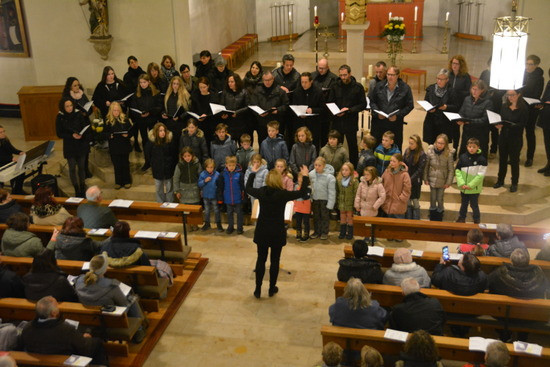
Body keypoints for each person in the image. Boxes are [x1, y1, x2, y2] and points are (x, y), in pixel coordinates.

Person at [245, 164, 310, 298]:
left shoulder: (262, 192)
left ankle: (257, 289)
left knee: (260, 259)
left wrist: (253, 173)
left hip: (262, 230)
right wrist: (305, 176)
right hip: (276, 231)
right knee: (275, 260)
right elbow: (302, 193)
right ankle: (271, 288)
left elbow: (248, 188)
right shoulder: (282, 194)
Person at [74, 253, 147, 343]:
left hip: (90, 319)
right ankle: (139, 331)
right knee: (132, 299)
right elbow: (123, 304)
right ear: (105, 270)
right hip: (111, 320)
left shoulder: (79, 281)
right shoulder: (111, 286)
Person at [21, 296, 109, 365]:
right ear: (53, 313)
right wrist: (86, 339)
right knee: (96, 343)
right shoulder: (66, 330)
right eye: (57, 306)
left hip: (37, 362)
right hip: (64, 362)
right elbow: (84, 349)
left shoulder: (27, 328)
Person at [328, 64, 367, 166]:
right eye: (341, 75)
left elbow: (363, 104)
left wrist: (349, 110)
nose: (343, 78)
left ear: (350, 74)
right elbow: (330, 101)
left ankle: (353, 167)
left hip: (351, 121)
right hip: (337, 121)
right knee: (336, 146)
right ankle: (336, 166)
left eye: (345, 75)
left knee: (352, 147)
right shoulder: (335, 86)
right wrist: (336, 111)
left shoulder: (358, 87)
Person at [370, 66, 414, 152]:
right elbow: (372, 101)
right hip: (379, 123)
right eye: (388, 74)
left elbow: (410, 105)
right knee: (377, 147)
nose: (390, 77)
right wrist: (377, 113)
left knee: (395, 148)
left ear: (398, 75)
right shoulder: (379, 86)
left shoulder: (405, 88)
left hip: (395, 124)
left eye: (392, 75)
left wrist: (398, 115)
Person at [493, 89, 528, 192]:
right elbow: (501, 119)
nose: (510, 97)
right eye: (508, 95)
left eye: (512, 95)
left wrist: (511, 125)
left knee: (514, 161)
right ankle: (500, 180)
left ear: (519, 95)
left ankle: (514, 183)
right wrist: (498, 125)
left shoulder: (523, 108)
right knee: (502, 160)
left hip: (515, 138)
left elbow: (523, 124)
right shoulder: (504, 106)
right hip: (503, 137)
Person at [56, 97, 90, 197]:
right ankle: (76, 188)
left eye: (71, 105)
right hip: (69, 145)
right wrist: (71, 135)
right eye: (67, 106)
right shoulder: (60, 117)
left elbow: (84, 127)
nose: (70, 108)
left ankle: (82, 187)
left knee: (81, 167)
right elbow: (59, 133)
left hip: (81, 144)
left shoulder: (78, 114)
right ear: (63, 107)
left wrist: (81, 134)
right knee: (72, 167)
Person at [248, 70, 289, 144]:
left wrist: (278, 110)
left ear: (273, 79)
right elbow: (252, 104)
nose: (267, 82)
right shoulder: (257, 91)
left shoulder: (280, 91)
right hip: (262, 123)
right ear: (262, 80)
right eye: (265, 80)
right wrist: (258, 113)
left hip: (275, 123)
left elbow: (286, 105)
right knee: (263, 143)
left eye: (269, 80)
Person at [422, 68, 458, 145]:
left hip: (444, 122)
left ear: (447, 80)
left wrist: (446, 107)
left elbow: (456, 107)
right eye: (438, 78)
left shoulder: (451, 91)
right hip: (431, 120)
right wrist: (428, 109)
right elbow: (426, 102)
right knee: (431, 144)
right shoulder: (431, 89)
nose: (439, 81)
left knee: (442, 144)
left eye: (442, 79)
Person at [423, 134, 455, 221]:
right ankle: (432, 212)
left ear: (445, 144)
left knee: (440, 198)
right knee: (432, 197)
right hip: (432, 178)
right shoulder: (430, 152)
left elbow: (451, 170)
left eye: (442, 143)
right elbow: (426, 166)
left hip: (442, 180)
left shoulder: (448, 155)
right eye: (438, 143)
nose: (439, 145)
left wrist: (448, 182)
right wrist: (425, 178)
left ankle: (440, 212)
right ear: (435, 142)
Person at [457, 80, 492, 158]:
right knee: (464, 158)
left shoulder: (488, 103)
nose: (474, 91)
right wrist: (460, 119)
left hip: (480, 134)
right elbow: (461, 112)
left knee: (477, 159)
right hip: (467, 133)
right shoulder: (467, 99)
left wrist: (470, 122)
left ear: (482, 90)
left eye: (477, 89)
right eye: (473, 89)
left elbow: (485, 120)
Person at [129, 73, 162, 157]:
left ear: (149, 82)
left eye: (144, 82)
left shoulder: (156, 93)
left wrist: (150, 112)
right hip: (141, 120)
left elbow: (159, 107)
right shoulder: (136, 94)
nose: (142, 84)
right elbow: (133, 108)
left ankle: (154, 157)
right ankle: (147, 158)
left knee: (153, 139)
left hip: (152, 119)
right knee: (144, 140)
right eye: (141, 82)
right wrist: (140, 114)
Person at [456, 138, 487, 224]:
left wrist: (470, 185)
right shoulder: (462, 157)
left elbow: (480, 175)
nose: (471, 149)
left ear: (478, 147)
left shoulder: (481, 159)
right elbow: (457, 171)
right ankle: (461, 218)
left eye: (474, 147)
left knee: (474, 205)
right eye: (470, 147)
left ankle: (476, 219)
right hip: (464, 187)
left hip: (474, 188)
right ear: (466, 147)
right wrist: (461, 183)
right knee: (464, 204)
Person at [104, 101, 133, 189]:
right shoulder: (108, 120)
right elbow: (103, 133)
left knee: (125, 164)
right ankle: (118, 182)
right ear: (111, 111)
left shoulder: (125, 119)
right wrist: (109, 135)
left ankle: (127, 181)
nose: (116, 112)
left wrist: (128, 135)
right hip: (114, 146)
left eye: (117, 110)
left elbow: (131, 131)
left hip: (124, 145)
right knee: (117, 165)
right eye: (114, 110)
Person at [291, 72, 325, 146]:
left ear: (311, 81)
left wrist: (312, 110)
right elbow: (293, 106)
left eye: (306, 82)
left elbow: (323, 108)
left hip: (313, 124)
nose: (303, 84)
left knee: (313, 145)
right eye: (302, 82)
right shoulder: (297, 92)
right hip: (300, 123)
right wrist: (299, 113)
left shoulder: (318, 92)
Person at [523, 55, 545, 167]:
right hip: (521, 106)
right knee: (517, 132)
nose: (528, 66)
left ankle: (530, 157)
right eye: (527, 63)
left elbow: (537, 93)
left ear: (536, 65)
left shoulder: (539, 77)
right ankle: (514, 156)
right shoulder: (523, 74)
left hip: (532, 108)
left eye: (530, 64)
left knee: (530, 132)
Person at [311, 58, 338, 148]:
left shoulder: (334, 78)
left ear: (328, 67)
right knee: (314, 138)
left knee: (324, 138)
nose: (321, 70)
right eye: (319, 68)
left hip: (327, 113)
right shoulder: (313, 76)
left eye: (323, 68)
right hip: (315, 112)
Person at [173, 147, 202, 232]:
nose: (187, 158)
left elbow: (201, 177)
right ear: (182, 157)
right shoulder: (179, 166)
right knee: (186, 210)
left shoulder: (197, 164)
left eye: (189, 156)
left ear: (192, 156)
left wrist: (201, 189)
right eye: (185, 156)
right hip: (184, 190)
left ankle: (195, 224)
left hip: (194, 189)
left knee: (195, 209)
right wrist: (177, 191)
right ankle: (188, 224)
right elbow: (176, 178)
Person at [162, 76, 191, 157]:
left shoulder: (185, 94)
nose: (175, 86)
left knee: (180, 144)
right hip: (169, 122)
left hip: (180, 123)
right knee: (171, 145)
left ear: (180, 85)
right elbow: (164, 108)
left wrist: (180, 117)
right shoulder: (168, 95)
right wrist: (163, 113)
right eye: (174, 84)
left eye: (177, 84)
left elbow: (188, 111)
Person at [146, 123, 175, 203]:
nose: (162, 132)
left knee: (169, 188)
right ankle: (160, 204)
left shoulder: (169, 142)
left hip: (168, 169)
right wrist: (153, 164)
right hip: (157, 169)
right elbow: (148, 156)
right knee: (159, 188)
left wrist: (171, 165)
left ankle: (170, 204)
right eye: (160, 131)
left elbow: (174, 155)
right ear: (156, 132)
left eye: (164, 130)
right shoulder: (151, 143)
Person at [309, 157, 336, 241]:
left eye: (319, 165)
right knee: (316, 216)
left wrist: (330, 204)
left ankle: (324, 232)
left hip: (325, 200)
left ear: (324, 166)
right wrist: (310, 198)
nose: (317, 167)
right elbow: (309, 187)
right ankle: (317, 231)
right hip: (315, 199)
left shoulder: (329, 177)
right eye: (315, 165)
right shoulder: (311, 174)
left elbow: (332, 192)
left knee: (324, 217)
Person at [218, 74, 249, 144]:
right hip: (229, 122)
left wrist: (237, 112)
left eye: (232, 82)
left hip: (241, 122)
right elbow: (222, 105)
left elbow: (248, 106)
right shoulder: (225, 92)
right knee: (231, 144)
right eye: (229, 82)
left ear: (237, 82)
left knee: (241, 143)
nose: (230, 84)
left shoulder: (244, 92)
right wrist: (222, 114)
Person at [217, 156, 244, 235]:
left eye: (233, 165)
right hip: (227, 198)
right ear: (226, 165)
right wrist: (220, 197)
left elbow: (243, 187)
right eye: (229, 165)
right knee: (229, 214)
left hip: (238, 198)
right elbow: (220, 187)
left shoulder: (240, 174)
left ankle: (240, 228)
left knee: (239, 214)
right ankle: (230, 227)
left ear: (236, 165)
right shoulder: (222, 175)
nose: (231, 167)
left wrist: (244, 197)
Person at [381, 153, 411, 220]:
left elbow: (407, 189)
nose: (391, 163)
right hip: (387, 204)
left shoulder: (404, 174)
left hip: (398, 206)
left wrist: (401, 199)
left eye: (394, 161)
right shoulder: (387, 171)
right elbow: (382, 182)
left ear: (400, 162)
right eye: (391, 161)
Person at [403, 134, 427, 220]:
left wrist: (410, 179)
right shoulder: (407, 151)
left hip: (416, 181)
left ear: (417, 144)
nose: (410, 145)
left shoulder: (422, 154)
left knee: (415, 200)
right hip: (407, 179)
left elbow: (420, 170)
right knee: (408, 200)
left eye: (412, 143)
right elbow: (403, 163)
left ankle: (416, 219)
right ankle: (408, 218)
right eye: (409, 143)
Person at [190, 77, 217, 148]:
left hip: (210, 123)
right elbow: (193, 109)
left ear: (208, 86)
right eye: (200, 87)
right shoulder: (195, 96)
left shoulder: (213, 96)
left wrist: (207, 115)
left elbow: (215, 110)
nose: (202, 89)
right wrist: (197, 116)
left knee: (209, 143)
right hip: (199, 123)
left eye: (204, 87)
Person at [198, 158, 222, 232]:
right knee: (207, 210)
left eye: (211, 167)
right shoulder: (203, 174)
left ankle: (218, 224)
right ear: (205, 167)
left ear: (214, 167)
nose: (209, 169)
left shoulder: (217, 174)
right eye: (208, 167)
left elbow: (219, 185)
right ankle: (207, 223)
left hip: (214, 196)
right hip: (206, 196)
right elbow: (199, 184)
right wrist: (204, 181)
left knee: (216, 210)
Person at [336, 162, 358, 240]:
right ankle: (342, 232)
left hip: (350, 203)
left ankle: (350, 233)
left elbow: (356, 193)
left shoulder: (354, 181)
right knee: (342, 218)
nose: (344, 172)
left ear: (351, 171)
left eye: (346, 170)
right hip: (342, 203)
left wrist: (355, 204)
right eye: (343, 170)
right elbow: (337, 191)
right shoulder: (339, 180)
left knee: (349, 218)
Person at [0, 126, 25, 194]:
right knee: (14, 173)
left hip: (8, 161)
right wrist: (11, 158)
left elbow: (11, 149)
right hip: (1, 164)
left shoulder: (5, 140)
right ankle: (15, 191)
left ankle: (18, 190)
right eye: (1, 132)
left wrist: (20, 152)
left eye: (3, 131)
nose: (3, 133)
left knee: (21, 171)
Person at [538, 68, 550, 176]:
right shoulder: (549, 82)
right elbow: (545, 96)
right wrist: (541, 102)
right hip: (547, 116)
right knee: (547, 141)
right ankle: (548, 164)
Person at [293, 173, 311, 242]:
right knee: (298, 222)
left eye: (302, 178)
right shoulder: (296, 186)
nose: (300, 180)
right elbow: (294, 196)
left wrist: (300, 191)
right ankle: (298, 233)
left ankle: (306, 234)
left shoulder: (308, 188)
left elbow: (306, 197)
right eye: (299, 178)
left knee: (306, 222)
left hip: (305, 208)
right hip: (298, 207)